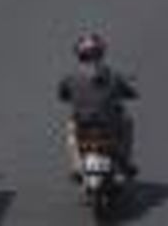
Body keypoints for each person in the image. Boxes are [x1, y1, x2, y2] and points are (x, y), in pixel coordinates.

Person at [57, 33, 138, 178]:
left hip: (83, 122)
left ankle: (76, 166)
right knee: (127, 122)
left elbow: (62, 94)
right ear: (101, 53)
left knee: (70, 129)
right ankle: (125, 161)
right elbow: (128, 91)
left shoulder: (71, 76)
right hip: (108, 123)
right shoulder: (112, 74)